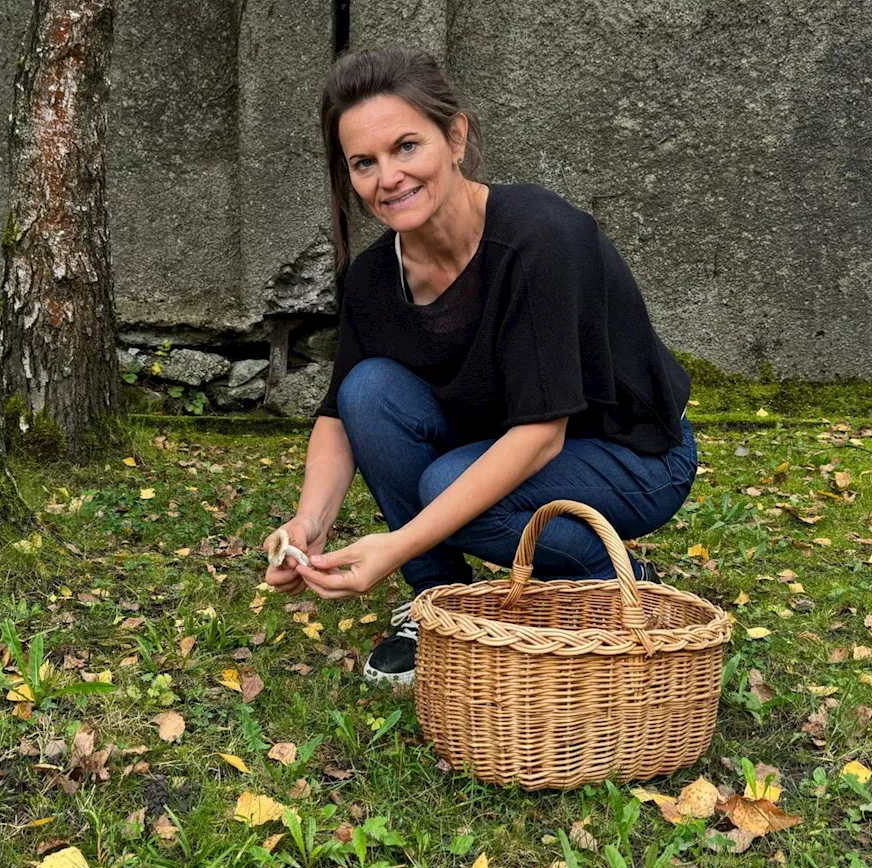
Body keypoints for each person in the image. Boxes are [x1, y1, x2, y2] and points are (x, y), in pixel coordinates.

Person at [262, 47, 697, 686]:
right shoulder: (375, 280)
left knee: (446, 487)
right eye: (364, 162)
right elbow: (337, 415)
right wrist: (310, 524)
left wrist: (394, 545)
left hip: (633, 454)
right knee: (367, 390)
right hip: (507, 442)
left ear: (456, 136)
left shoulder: (540, 238)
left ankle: (609, 577)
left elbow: (541, 434)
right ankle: (439, 603)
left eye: (406, 147)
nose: (388, 178)